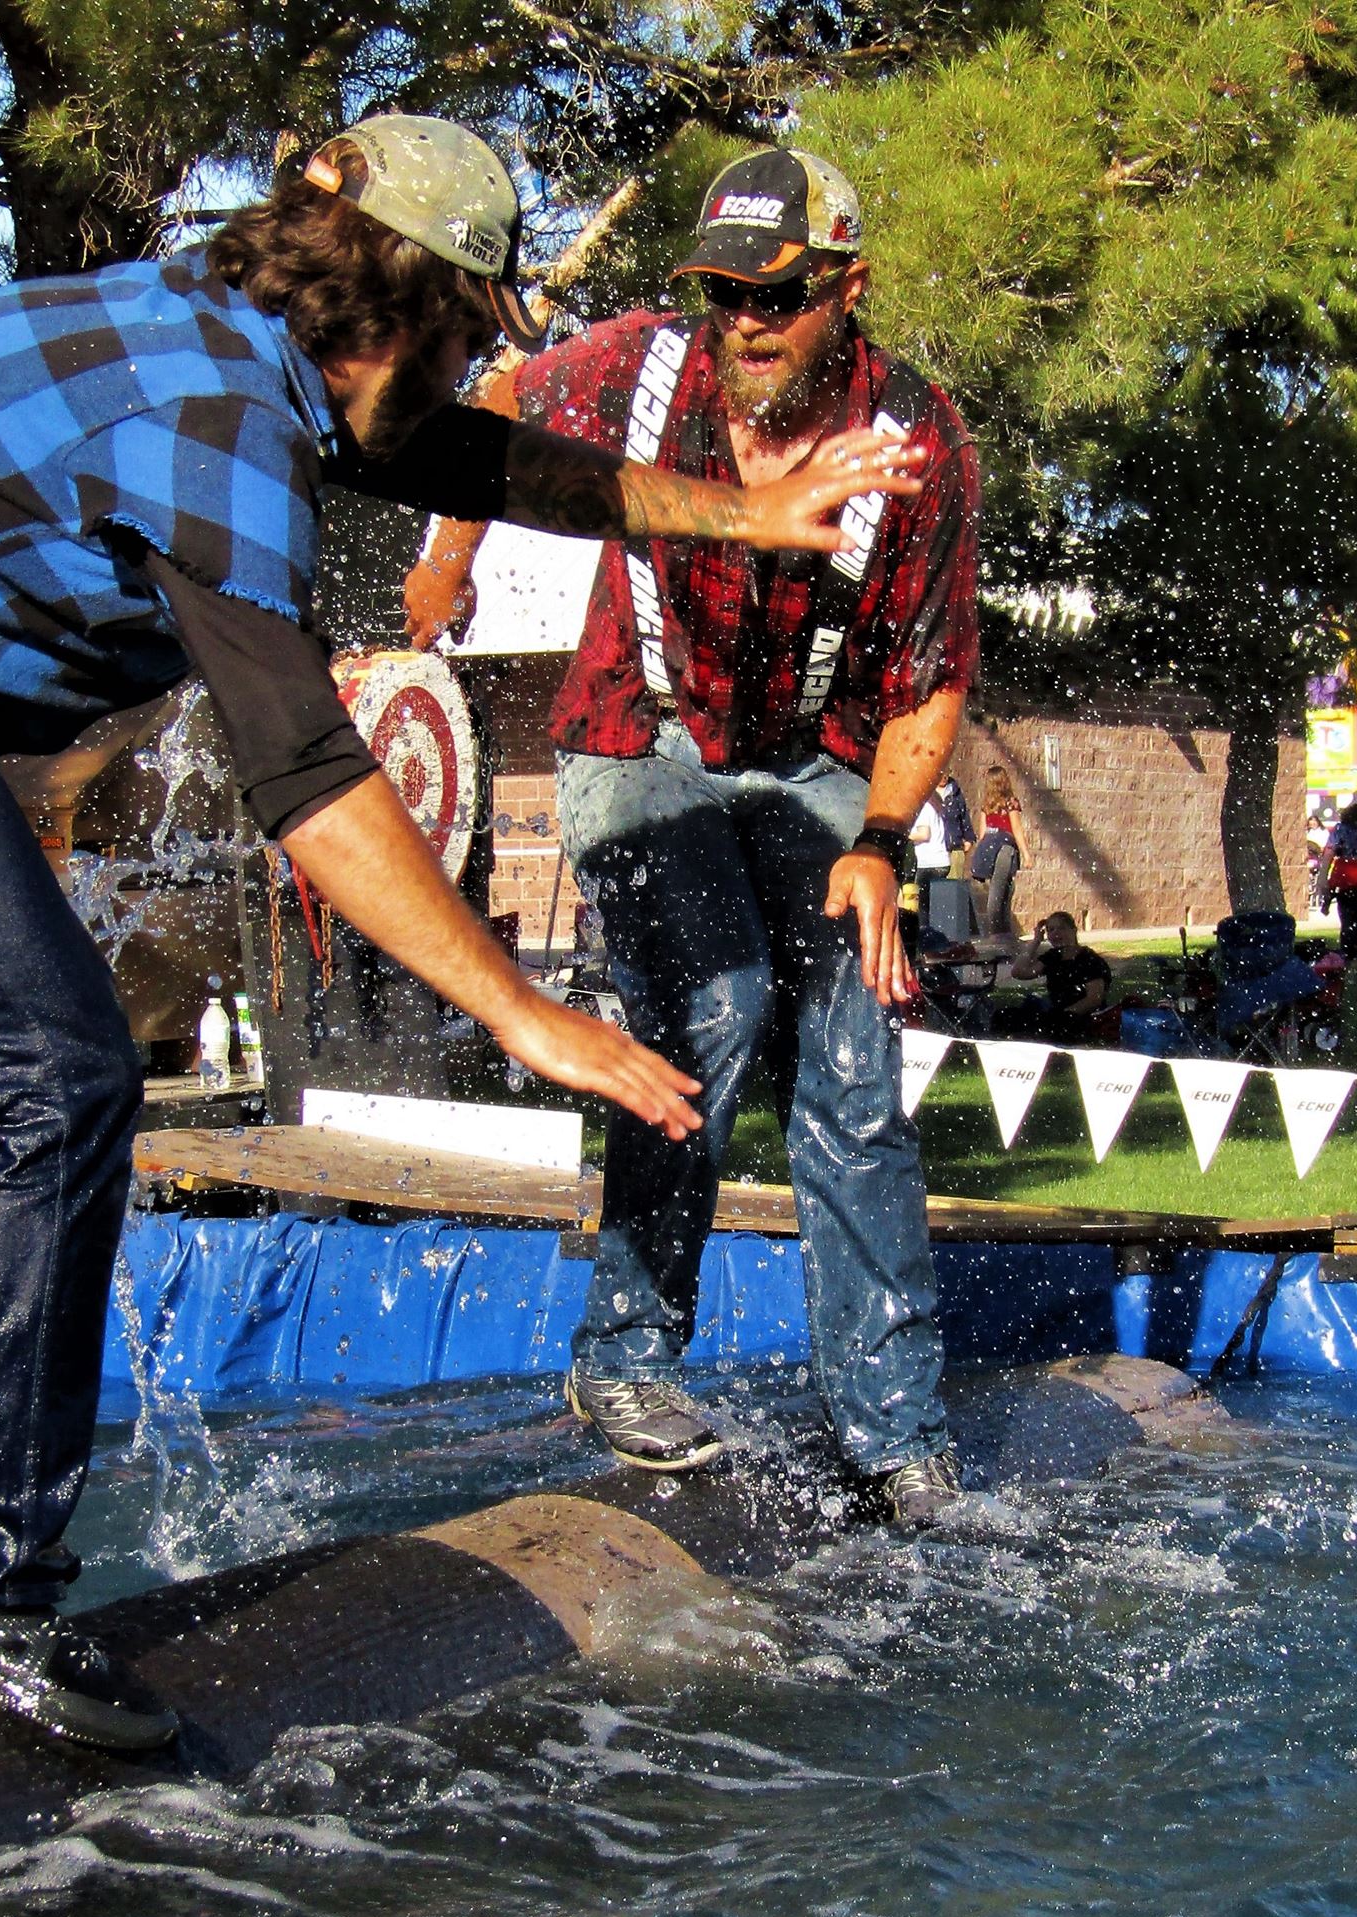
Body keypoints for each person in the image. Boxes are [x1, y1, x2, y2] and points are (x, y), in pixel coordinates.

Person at [0, 117, 926, 1750]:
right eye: (457, 345)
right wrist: (519, 1011)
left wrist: (729, 514)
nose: (453, 387)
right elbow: (302, 773)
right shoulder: (216, 409)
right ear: (410, 304)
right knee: (54, 1072)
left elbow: (476, 465)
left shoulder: (232, 342)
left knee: (1, 1046)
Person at [404, 145, 976, 1524]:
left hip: (817, 760)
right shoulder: (634, 368)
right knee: (709, 1011)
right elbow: (485, 404)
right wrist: (448, 553)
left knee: (848, 1076)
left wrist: (881, 844)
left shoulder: (920, 443)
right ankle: (622, 1362)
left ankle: (891, 1432)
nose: (744, 324)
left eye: (774, 298)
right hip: (632, 730)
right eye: (720, 293)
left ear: (847, 288)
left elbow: (931, 672)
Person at [1007, 912, 1113, 1041]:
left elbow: (1094, 999)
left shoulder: (1089, 960)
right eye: (1051, 930)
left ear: (1073, 931)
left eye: (1062, 928)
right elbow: (1019, 972)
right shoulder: (1053, 957)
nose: (1056, 933)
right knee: (1005, 1016)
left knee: (1048, 1025)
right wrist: (1036, 941)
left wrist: (1063, 1015)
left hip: (1082, 1017)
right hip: (1055, 1012)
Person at [970, 765, 1030, 937]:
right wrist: (1026, 854)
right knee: (999, 893)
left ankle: (1001, 932)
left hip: (988, 848)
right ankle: (998, 933)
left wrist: (979, 857)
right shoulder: (1011, 803)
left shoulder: (987, 805)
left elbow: (982, 833)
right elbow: (1016, 829)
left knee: (1003, 889)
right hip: (1004, 849)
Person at [1312, 800, 1357, 960]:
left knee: (1348, 921)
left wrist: (1322, 878)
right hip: (1353, 880)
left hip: (1346, 881)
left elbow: (1329, 853)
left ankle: (1347, 955)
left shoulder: (1341, 829)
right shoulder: (1344, 829)